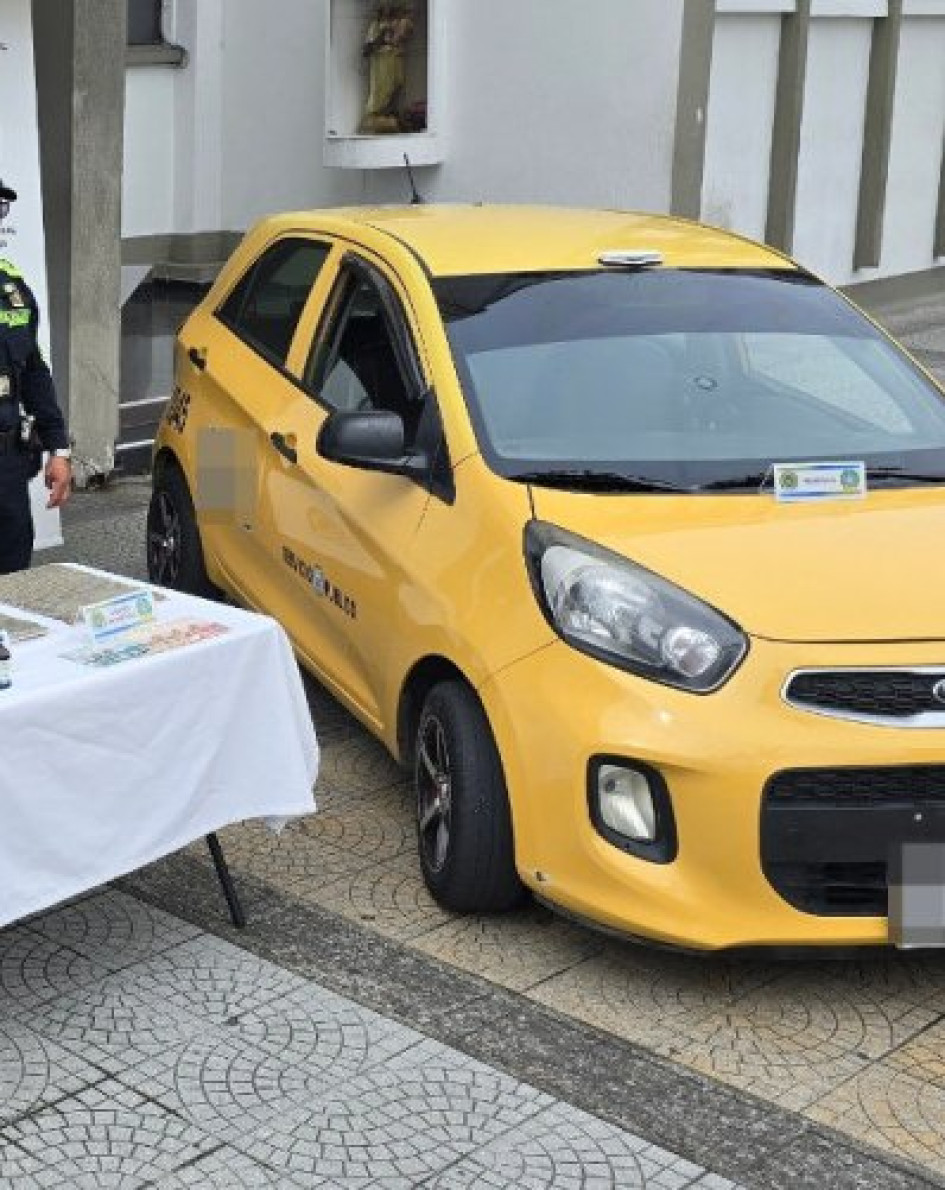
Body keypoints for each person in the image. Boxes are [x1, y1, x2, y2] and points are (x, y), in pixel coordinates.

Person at [0, 180, 71, 575]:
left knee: (12, 580)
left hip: (7, 466)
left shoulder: (13, 290)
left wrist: (58, 449)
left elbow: (35, 374)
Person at [358, 1, 415, 135]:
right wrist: (381, 38)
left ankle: (390, 115)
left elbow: (406, 32)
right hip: (382, 63)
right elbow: (367, 50)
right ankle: (377, 117)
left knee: (397, 86)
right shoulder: (376, 26)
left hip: (395, 60)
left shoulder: (401, 23)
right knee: (382, 91)